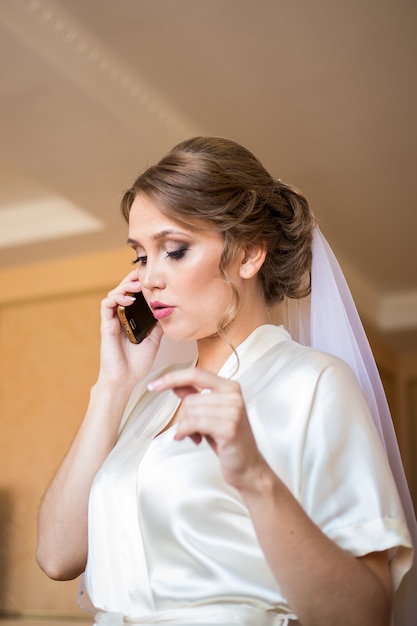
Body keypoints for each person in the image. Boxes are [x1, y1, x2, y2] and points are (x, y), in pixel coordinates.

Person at [37, 137, 415, 626]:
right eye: (140, 257)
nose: (149, 278)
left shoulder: (316, 383)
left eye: (174, 250)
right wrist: (112, 386)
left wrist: (256, 477)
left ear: (250, 253)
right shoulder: (149, 401)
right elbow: (57, 557)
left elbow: (365, 614)